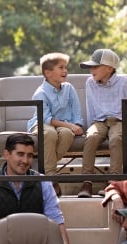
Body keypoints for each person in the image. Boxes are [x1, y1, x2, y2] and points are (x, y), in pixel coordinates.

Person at [78, 48, 127, 198]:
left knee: (116, 139)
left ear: (109, 68)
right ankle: (87, 182)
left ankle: (113, 181)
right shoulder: (90, 83)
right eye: (90, 67)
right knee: (91, 137)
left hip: (119, 121)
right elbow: (90, 106)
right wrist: (90, 126)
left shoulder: (123, 82)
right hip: (99, 121)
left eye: (95, 67)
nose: (91, 70)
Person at [27, 52, 84, 196]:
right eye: (61, 67)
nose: (65, 71)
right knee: (50, 134)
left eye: (66, 67)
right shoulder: (40, 93)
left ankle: (47, 167)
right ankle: (51, 179)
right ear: (48, 73)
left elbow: (76, 110)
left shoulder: (69, 89)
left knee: (66, 134)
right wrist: (70, 126)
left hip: (64, 126)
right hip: (42, 123)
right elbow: (46, 119)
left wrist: (77, 125)